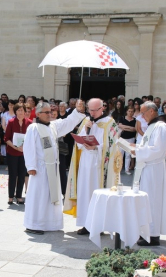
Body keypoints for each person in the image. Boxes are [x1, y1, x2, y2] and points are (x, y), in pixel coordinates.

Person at [23, 102, 85, 234]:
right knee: (39, 196)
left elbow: (67, 123)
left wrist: (77, 111)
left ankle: (50, 224)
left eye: (50, 112)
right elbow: (28, 148)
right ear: (38, 114)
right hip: (39, 168)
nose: (49, 114)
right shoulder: (33, 128)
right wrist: (31, 166)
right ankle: (34, 224)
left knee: (51, 196)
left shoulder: (53, 126)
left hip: (52, 168)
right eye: (46, 112)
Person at [64, 98, 118, 235]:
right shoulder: (86, 121)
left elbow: (113, 146)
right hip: (85, 163)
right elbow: (79, 143)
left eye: (95, 110)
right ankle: (86, 224)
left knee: (96, 193)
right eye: (90, 110)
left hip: (99, 167)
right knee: (84, 193)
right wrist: (85, 131)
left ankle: (98, 225)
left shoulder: (110, 123)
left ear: (102, 108)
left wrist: (97, 147)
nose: (92, 113)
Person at [132, 102, 166, 246]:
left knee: (152, 200)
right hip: (146, 167)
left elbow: (157, 150)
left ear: (152, 111)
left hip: (154, 169)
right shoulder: (152, 127)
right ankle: (145, 232)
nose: (142, 116)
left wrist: (138, 151)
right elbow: (147, 146)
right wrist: (135, 147)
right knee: (146, 200)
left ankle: (153, 235)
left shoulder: (161, 127)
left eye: (143, 113)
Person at [4, 103, 32, 204]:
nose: (20, 112)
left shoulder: (30, 123)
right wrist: (15, 147)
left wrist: (24, 148)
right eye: (18, 110)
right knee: (12, 174)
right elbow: (6, 138)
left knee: (21, 174)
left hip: (24, 153)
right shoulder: (11, 122)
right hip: (12, 152)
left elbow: (32, 139)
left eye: (22, 110)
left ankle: (19, 195)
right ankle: (11, 196)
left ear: (25, 112)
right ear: (15, 111)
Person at [118, 106, 137, 174]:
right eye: (129, 111)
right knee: (120, 154)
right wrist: (129, 128)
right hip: (122, 139)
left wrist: (125, 127)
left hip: (131, 139)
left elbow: (134, 129)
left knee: (128, 155)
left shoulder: (135, 120)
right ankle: (118, 169)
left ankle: (127, 169)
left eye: (132, 111)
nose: (130, 113)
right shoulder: (122, 118)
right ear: (127, 111)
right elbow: (120, 126)